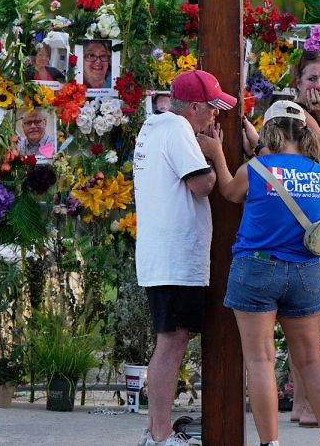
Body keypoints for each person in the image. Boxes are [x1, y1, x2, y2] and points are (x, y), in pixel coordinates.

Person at [199, 100, 320, 446]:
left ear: (271, 132)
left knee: (261, 360)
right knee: (311, 359)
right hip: (305, 271)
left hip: (257, 267)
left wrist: (218, 152)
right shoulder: (319, 173)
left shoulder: (257, 168)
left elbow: (230, 192)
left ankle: (270, 443)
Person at [132, 69, 235, 446]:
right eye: (211, 109)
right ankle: (160, 434)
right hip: (175, 257)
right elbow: (203, 185)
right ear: (193, 107)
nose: (215, 117)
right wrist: (213, 152)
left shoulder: (154, 126)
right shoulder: (178, 130)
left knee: (170, 339)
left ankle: (154, 429)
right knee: (172, 341)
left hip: (163, 254)